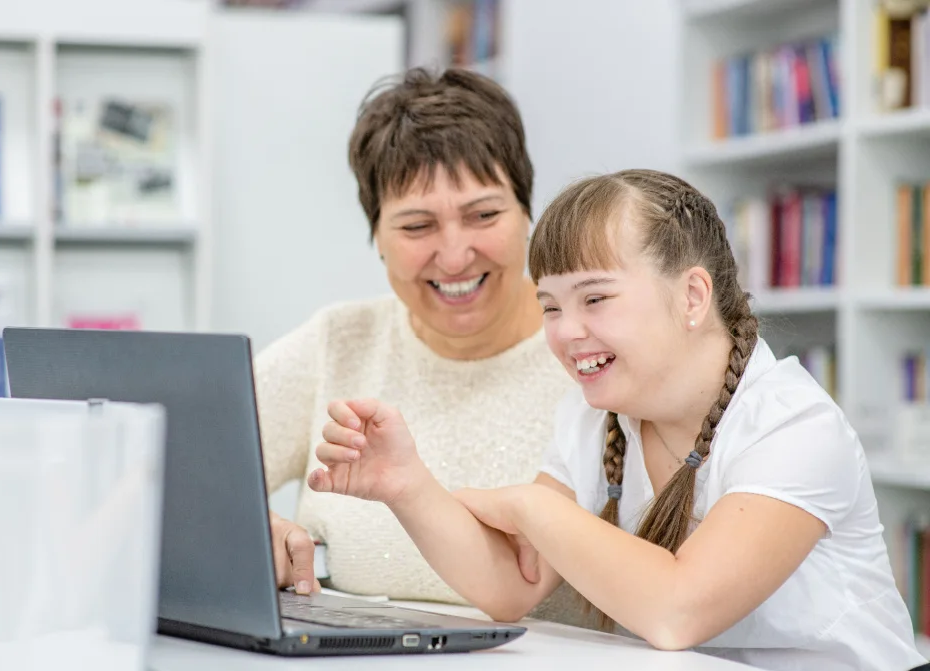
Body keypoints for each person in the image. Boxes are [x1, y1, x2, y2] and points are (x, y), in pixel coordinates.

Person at [309, 169, 928, 670]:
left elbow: (677, 610)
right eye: (550, 306)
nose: (566, 332)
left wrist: (533, 507)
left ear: (692, 296)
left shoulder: (795, 428)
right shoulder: (595, 421)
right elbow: (512, 585)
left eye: (595, 298)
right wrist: (406, 486)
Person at [255, 66, 585, 623]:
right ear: (376, 239)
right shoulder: (337, 342)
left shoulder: (592, 355)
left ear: (528, 213)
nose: (455, 256)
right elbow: (169, 475)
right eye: (416, 227)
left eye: (483, 215)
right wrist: (247, 528)